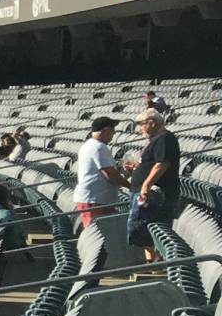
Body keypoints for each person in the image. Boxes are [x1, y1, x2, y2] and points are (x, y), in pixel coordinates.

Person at [129, 105, 181, 260]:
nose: (138, 128)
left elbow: (162, 164)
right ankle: (151, 262)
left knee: (141, 227)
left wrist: (146, 185)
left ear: (151, 122)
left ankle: (156, 261)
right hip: (145, 191)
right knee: (143, 227)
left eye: (140, 124)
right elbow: (152, 163)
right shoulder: (155, 139)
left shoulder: (164, 138)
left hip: (154, 193)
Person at [75, 115, 123, 230]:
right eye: (113, 131)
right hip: (95, 200)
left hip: (95, 199)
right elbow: (109, 173)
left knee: (103, 237)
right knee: (99, 236)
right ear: (106, 131)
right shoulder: (99, 147)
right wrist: (131, 186)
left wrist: (120, 170)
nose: (114, 134)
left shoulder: (89, 145)